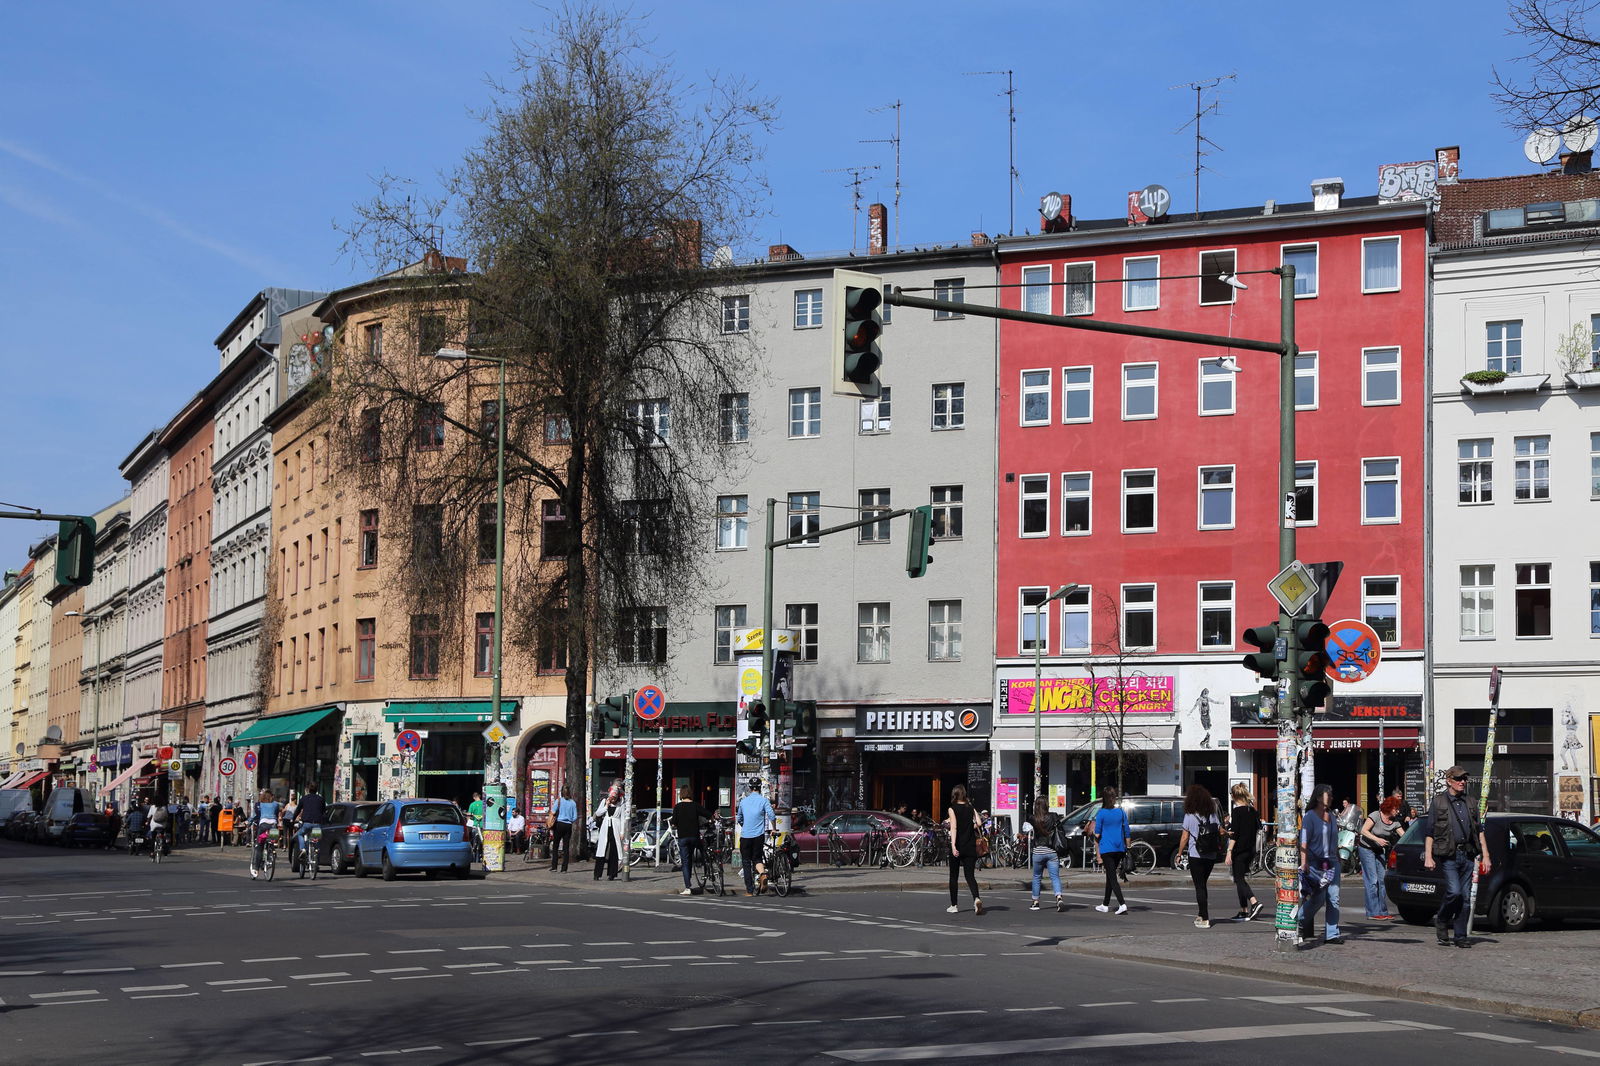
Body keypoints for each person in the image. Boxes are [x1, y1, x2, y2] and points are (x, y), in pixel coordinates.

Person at [1424, 765, 1491, 948]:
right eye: (1459, 779)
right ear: (1449, 781)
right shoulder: (1438, 802)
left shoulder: (1470, 802)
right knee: (1454, 892)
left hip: (1468, 854)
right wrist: (1428, 856)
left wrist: (1486, 855)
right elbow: (1429, 831)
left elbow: (1479, 831)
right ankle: (1443, 919)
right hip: (1449, 855)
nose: (1463, 782)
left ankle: (1460, 936)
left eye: (1464, 779)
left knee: (1465, 898)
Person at [1299, 783, 1342, 945]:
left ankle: (1332, 934)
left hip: (1331, 863)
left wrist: (1337, 856)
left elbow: (1333, 838)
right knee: (1318, 898)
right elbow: (1303, 840)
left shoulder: (1331, 815)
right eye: (1328, 795)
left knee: (1334, 898)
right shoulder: (1309, 816)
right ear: (1318, 797)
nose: (1331, 797)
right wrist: (1304, 862)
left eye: (1331, 795)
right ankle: (1299, 921)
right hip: (1315, 863)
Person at [1178, 784, 1222, 928]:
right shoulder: (1213, 814)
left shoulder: (1189, 816)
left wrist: (1179, 853)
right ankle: (1201, 913)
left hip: (1195, 854)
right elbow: (1219, 830)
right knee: (1203, 885)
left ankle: (1205, 917)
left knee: (1200, 887)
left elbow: (1185, 837)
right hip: (1210, 854)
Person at [1224, 783, 1263, 921]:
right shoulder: (1252, 810)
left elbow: (1235, 834)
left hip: (1239, 849)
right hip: (1251, 849)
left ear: (1234, 796)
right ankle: (1244, 910)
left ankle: (1254, 902)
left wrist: (1229, 851)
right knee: (1239, 878)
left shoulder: (1237, 811)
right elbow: (1260, 827)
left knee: (1239, 879)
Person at [1358, 796, 1402, 920]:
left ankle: (1382, 911)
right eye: (1396, 808)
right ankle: (1372, 912)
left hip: (1379, 850)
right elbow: (1363, 831)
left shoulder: (1395, 822)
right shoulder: (1375, 815)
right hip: (1366, 848)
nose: (1397, 811)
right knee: (1372, 880)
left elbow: (1404, 836)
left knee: (1382, 881)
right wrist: (1377, 839)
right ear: (1389, 808)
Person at [944, 783, 983, 915]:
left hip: (959, 845)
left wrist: (953, 845)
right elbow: (979, 823)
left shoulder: (952, 808)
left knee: (953, 876)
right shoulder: (970, 807)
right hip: (970, 845)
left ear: (954, 794)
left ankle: (954, 905)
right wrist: (968, 826)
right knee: (970, 876)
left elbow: (953, 827)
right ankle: (976, 898)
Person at [1093, 787, 1130, 915]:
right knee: (1110, 876)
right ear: (1114, 798)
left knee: (1112, 878)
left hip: (1107, 849)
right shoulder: (1120, 812)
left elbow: (1097, 834)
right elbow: (1127, 831)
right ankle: (1105, 904)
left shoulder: (1101, 813)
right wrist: (1128, 847)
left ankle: (1122, 903)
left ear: (1104, 798)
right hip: (1119, 848)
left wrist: (1092, 831)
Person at [736, 778, 774, 896]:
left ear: (749, 788)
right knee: (757, 858)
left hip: (746, 836)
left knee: (746, 862)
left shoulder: (743, 802)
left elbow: (739, 819)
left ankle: (749, 890)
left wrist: (745, 825)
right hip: (759, 835)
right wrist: (774, 828)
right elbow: (772, 815)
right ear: (760, 787)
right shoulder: (763, 801)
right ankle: (763, 874)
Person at [672, 786, 713, 895]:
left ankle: (688, 887)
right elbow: (708, 814)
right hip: (694, 837)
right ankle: (707, 866)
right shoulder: (695, 806)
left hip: (683, 838)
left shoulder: (678, 807)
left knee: (686, 862)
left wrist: (676, 824)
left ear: (681, 794)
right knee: (703, 852)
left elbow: (674, 822)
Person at [1027, 795, 1064, 912]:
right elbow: (1061, 829)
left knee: (1037, 877)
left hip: (1038, 851)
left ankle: (1035, 902)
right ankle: (1058, 897)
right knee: (1055, 877)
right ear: (1046, 805)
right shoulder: (1053, 816)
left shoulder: (1032, 818)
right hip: (1052, 851)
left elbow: (1026, 830)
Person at [590, 786, 624, 881]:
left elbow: (623, 818)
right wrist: (606, 806)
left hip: (616, 828)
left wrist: (622, 832)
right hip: (605, 828)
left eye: (614, 798)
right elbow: (598, 813)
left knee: (614, 850)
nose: (613, 800)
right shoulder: (605, 801)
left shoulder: (621, 804)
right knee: (601, 850)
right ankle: (597, 874)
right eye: (611, 797)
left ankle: (612, 874)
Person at [293, 784, 327, 873]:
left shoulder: (304, 798)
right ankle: (316, 861)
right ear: (317, 790)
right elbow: (324, 811)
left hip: (306, 823)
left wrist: (293, 819)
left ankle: (303, 849)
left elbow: (298, 810)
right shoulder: (321, 799)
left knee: (300, 834)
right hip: (317, 824)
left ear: (308, 790)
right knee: (317, 842)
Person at [250, 789, 283, 879]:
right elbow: (277, 812)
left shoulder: (261, 804)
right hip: (273, 825)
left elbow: (255, 816)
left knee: (259, 847)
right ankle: (272, 851)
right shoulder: (276, 804)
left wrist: (249, 822)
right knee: (272, 841)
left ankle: (256, 869)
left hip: (263, 825)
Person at [550, 785, 578, 872]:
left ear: (561, 792)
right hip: (568, 825)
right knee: (566, 847)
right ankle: (564, 868)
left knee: (555, 846)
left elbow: (553, 812)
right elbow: (575, 817)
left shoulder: (558, 801)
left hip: (559, 824)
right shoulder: (573, 803)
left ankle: (554, 866)